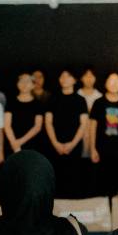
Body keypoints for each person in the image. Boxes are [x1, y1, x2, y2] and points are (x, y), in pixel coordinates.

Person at [44, 70, 89, 199]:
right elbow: (48, 122)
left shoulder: (80, 100)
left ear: (74, 80)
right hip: (55, 145)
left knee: (73, 178)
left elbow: (83, 124)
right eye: (62, 76)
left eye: (68, 76)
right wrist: (55, 143)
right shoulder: (52, 98)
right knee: (56, 178)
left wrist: (72, 144)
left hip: (74, 145)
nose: (64, 79)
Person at [89, 73, 118, 198]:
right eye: (111, 80)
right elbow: (92, 127)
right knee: (102, 183)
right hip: (102, 149)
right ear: (105, 84)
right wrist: (92, 149)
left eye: (117, 81)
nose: (114, 84)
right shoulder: (98, 103)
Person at [4, 73, 46, 156]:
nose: (24, 84)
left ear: (33, 85)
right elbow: (7, 125)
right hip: (12, 144)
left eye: (27, 81)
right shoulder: (11, 102)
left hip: (32, 145)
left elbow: (37, 127)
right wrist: (14, 143)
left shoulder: (38, 104)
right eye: (21, 81)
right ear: (17, 84)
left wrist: (19, 142)